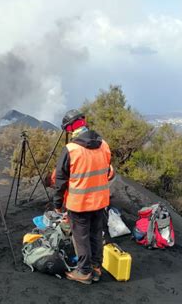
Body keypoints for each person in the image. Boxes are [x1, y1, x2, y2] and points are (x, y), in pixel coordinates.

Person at [52, 109, 114, 284]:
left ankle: (84, 272)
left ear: (70, 128)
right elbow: (108, 171)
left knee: (81, 238)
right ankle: (96, 268)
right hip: (100, 201)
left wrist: (57, 204)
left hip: (79, 204)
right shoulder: (104, 145)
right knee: (96, 234)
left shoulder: (71, 149)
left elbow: (60, 180)